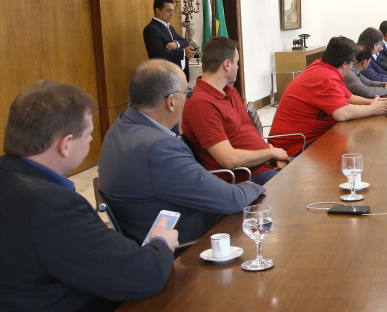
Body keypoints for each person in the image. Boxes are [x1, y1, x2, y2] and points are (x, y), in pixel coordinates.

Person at [0, 80, 177, 312]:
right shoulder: (50, 206)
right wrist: (160, 243)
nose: (92, 141)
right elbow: (141, 275)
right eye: (90, 135)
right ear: (65, 144)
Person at [99, 60, 265, 245]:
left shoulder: (119, 128)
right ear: (171, 101)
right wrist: (257, 186)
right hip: (190, 244)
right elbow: (230, 200)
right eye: (186, 93)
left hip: (142, 230)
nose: (187, 99)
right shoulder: (159, 148)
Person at [181, 37, 289, 186]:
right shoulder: (201, 103)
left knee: (316, 171)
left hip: (264, 164)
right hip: (244, 178)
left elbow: (246, 134)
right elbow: (229, 159)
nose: (238, 67)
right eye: (236, 62)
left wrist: (271, 153)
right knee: (310, 183)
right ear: (226, 64)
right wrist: (271, 153)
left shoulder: (229, 91)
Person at [270, 36, 387, 155]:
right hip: (296, 144)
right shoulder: (326, 77)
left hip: (308, 137)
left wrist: (375, 103)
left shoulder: (325, 68)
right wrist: (373, 109)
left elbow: (349, 98)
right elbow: (342, 113)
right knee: (357, 153)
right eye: (353, 62)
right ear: (344, 64)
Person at [143, 0, 195, 81]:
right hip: (165, 77)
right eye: (168, 11)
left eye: (172, 11)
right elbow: (159, 54)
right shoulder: (151, 29)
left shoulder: (170, 28)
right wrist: (183, 52)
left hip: (177, 76)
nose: (172, 14)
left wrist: (176, 44)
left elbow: (185, 42)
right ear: (158, 11)